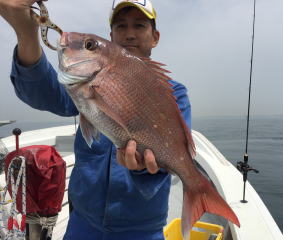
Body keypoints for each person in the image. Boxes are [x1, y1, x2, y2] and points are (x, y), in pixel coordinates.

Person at [0, 0, 191, 239]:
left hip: (141, 229)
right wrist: (26, 32)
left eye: (139, 25)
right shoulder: (85, 84)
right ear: (111, 37)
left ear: (155, 37)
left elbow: (171, 153)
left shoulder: (174, 94)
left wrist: (143, 170)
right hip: (83, 223)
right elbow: (43, 92)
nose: (129, 34)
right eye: (121, 26)